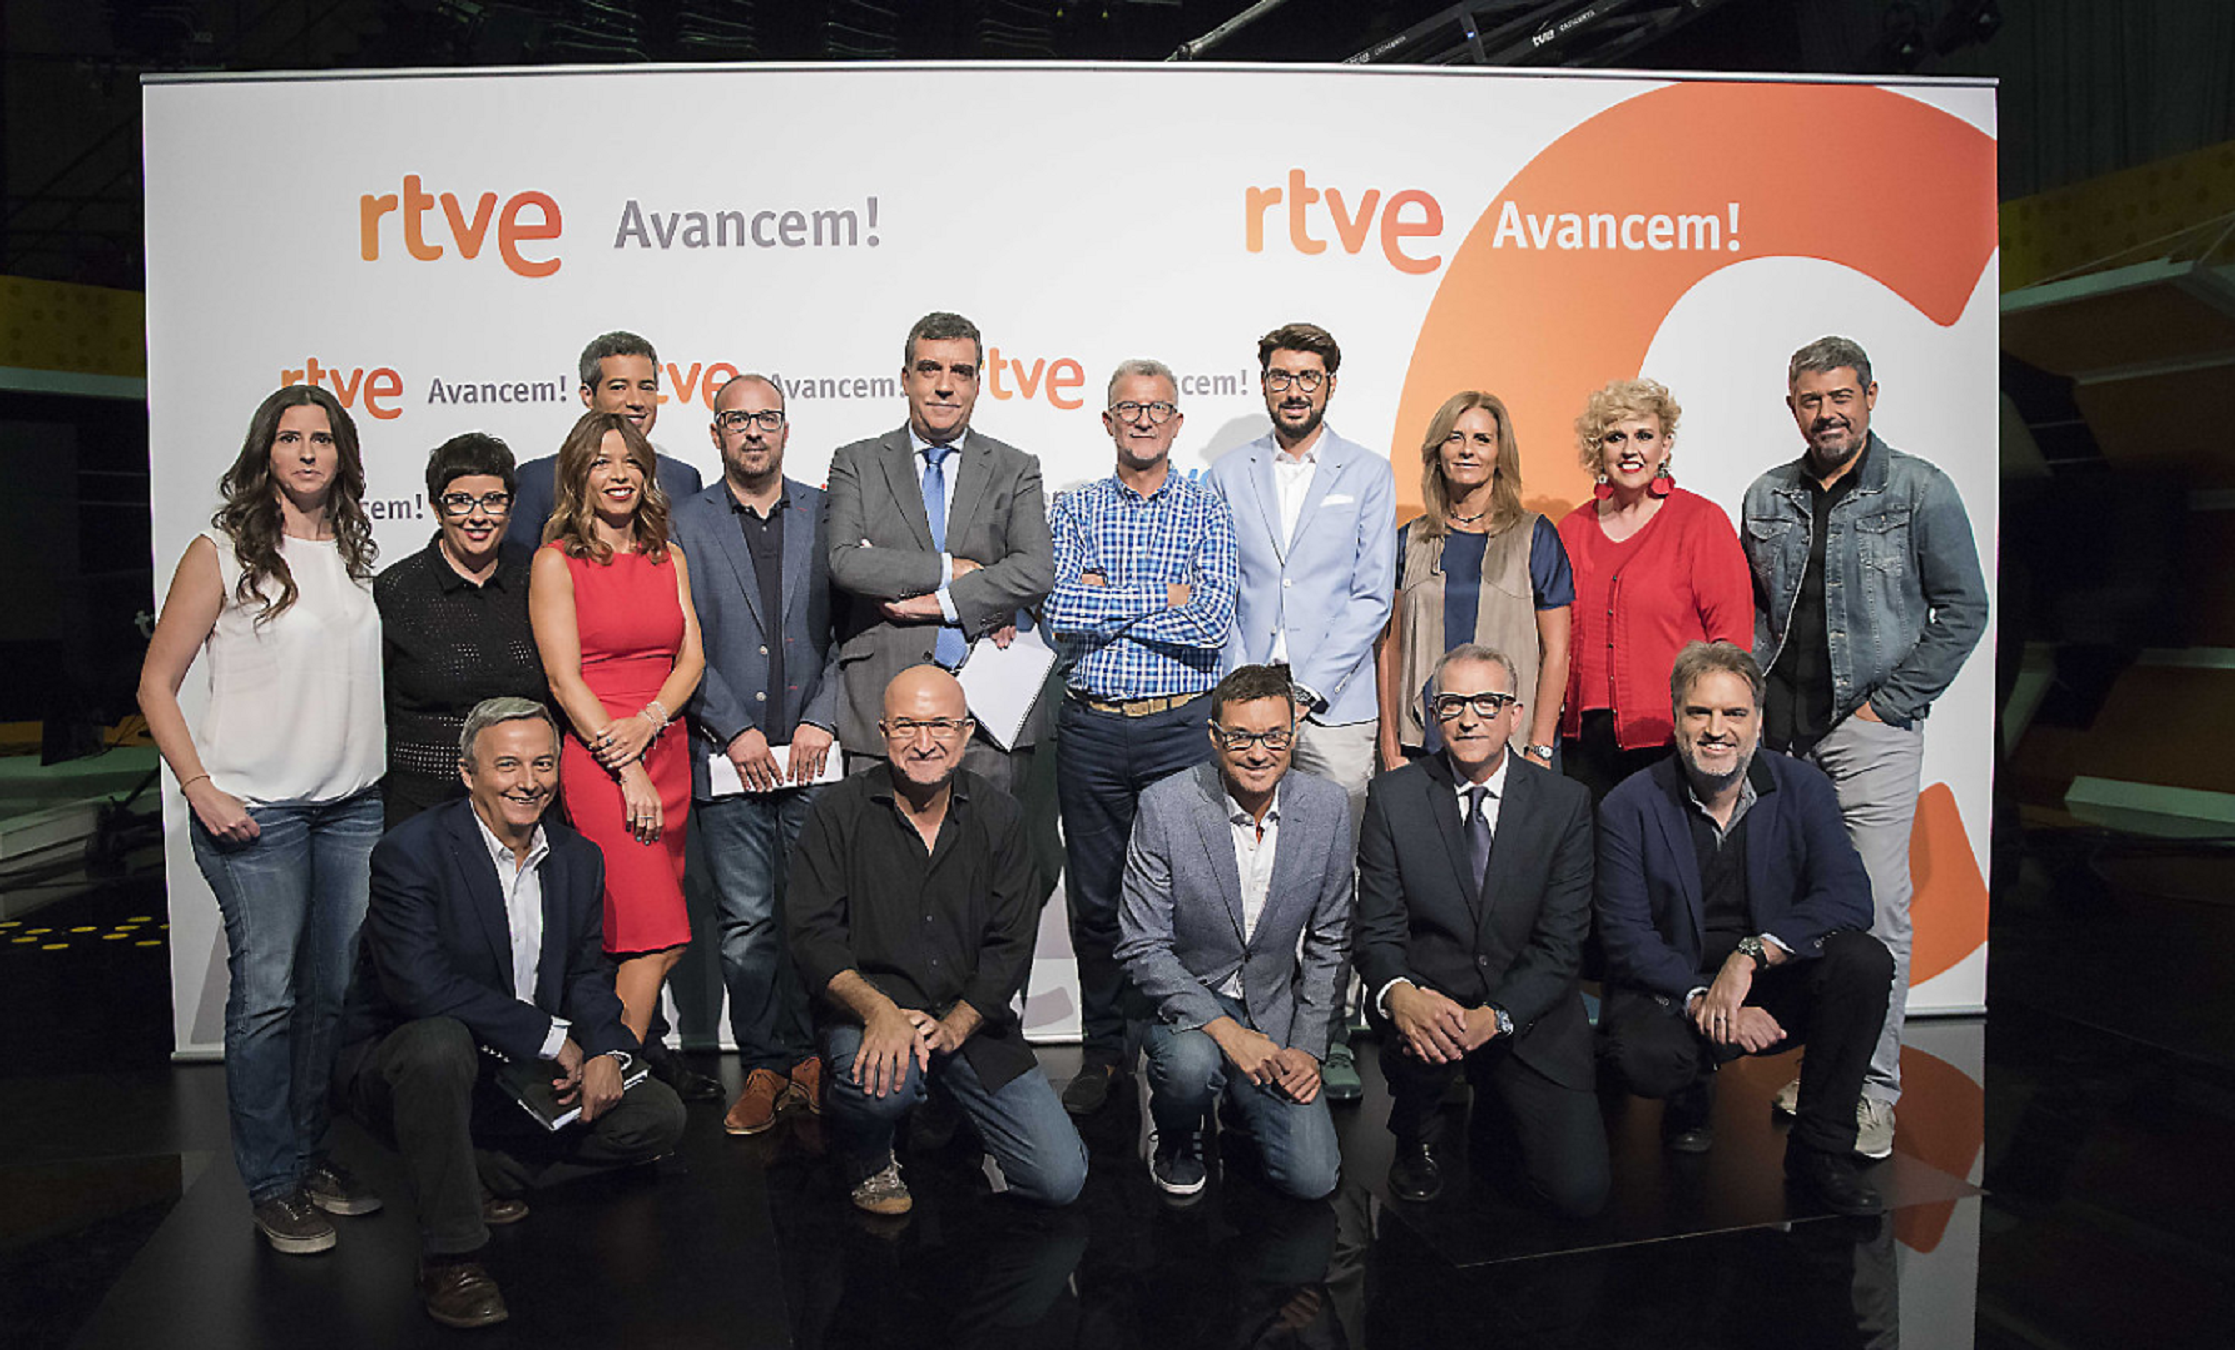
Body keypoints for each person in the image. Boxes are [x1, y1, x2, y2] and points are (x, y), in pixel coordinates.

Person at [334, 698, 687, 1328]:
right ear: (468, 774)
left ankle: (472, 1170)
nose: (529, 781)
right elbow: (420, 987)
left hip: (513, 1075)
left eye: (543, 764)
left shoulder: (578, 857)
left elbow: (585, 975)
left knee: (659, 1118)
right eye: (508, 765)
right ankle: (451, 1257)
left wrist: (606, 1050)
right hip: (415, 1065)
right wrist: (551, 1038)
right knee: (439, 1043)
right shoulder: (410, 852)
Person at [137, 385, 386, 1253]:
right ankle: (273, 1183)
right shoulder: (221, 550)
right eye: (290, 437)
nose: (307, 452)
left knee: (330, 997)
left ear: (343, 454)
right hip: (257, 815)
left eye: (323, 438)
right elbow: (155, 683)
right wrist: (198, 784)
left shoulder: (352, 550)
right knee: (269, 1000)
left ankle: (310, 1157)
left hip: (350, 808)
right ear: (264, 452)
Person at [1742, 336, 1988, 1158]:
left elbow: (1963, 608)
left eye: (1840, 397)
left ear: (1870, 397)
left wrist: (1890, 707)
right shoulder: (1766, 494)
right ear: (1792, 406)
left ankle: (1871, 1090)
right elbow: (1756, 615)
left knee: (1875, 912)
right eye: (1811, 400)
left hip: (1868, 731)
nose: (1827, 414)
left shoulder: (1919, 489)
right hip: (1781, 737)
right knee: (1796, 908)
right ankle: (1824, 1072)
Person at [1595, 642, 1893, 1216]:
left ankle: (1820, 1152)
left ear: (1758, 720)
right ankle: (1692, 1085)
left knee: (1863, 961)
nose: (1717, 730)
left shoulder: (1803, 787)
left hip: (1765, 980)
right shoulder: (1628, 805)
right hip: (1674, 985)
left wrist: (1753, 955)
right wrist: (1702, 998)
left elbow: (1849, 897)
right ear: (1677, 718)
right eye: (1700, 712)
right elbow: (1626, 936)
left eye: (1734, 713)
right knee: (1643, 1059)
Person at [788, 666, 1087, 1217]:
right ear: (882, 731)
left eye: (941, 726)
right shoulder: (837, 812)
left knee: (1059, 1178)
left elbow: (1011, 943)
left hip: (970, 1022)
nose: (924, 743)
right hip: (869, 1019)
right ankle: (868, 1153)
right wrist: (880, 1011)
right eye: (906, 726)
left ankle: (942, 1099)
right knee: (883, 1087)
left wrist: (956, 1026)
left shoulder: (1001, 816)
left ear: (966, 733)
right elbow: (812, 936)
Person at [1204, 321, 1396, 1102]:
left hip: (1335, 708)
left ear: (1330, 385)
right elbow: (1218, 587)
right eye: (1280, 376)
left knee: (1333, 873)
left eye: (1307, 377)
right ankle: (1246, 1021)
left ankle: (1331, 1032)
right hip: (1245, 705)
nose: (1293, 390)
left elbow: (1371, 595)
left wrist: (1304, 692)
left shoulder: (1367, 472)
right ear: (1263, 384)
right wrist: (1242, 692)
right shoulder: (1226, 472)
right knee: (1246, 866)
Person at [1042, 358, 1237, 1118]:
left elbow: (1210, 621)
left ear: (1178, 421)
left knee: (1183, 898)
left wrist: (1109, 595)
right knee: (1095, 901)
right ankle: (1104, 1052)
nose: (1145, 419)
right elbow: (1059, 611)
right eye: (1130, 408)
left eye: (1158, 408)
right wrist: (1163, 594)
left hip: (1180, 726)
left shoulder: (1206, 507)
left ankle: (1182, 1044)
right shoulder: (1075, 505)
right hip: (1091, 725)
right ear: (1108, 421)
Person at [1353, 644, 1608, 1215]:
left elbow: (1561, 944)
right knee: (1414, 1029)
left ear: (1514, 715)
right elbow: (1377, 931)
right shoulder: (1393, 798)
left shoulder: (1565, 804)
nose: (1469, 718)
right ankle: (1415, 1131)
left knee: (1579, 1194)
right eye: (1453, 703)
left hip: (1528, 1012)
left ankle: (1498, 1098)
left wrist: (1494, 1017)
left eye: (1487, 702)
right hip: (1430, 1007)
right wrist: (1401, 996)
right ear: (1434, 716)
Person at [670, 373, 842, 1136]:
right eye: (736, 420)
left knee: (815, 916)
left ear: (785, 429)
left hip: (813, 756)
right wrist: (731, 727)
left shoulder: (827, 512)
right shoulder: (682, 522)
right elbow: (675, 638)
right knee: (745, 925)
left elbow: (852, 632)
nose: (752, 432)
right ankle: (768, 1065)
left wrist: (825, 718)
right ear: (715, 433)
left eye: (766, 418)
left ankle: (815, 1062)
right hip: (724, 755)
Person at [1114, 663, 1349, 1201]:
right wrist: (1227, 1032)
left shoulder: (1327, 807)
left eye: (1274, 736)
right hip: (1187, 1003)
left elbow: (1331, 938)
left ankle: (1244, 1101)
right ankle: (1175, 1129)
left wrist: (1309, 1049)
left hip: (1273, 1004)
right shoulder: (1165, 805)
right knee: (1190, 1067)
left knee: (1313, 1180)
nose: (1259, 753)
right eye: (1241, 737)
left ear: (1293, 735)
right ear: (1215, 737)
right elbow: (1141, 944)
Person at [528, 409, 708, 1095]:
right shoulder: (556, 561)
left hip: (666, 747)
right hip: (601, 756)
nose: (619, 473)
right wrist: (626, 761)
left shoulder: (668, 556)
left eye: (631, 460)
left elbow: (691, 658)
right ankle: (608, 1085)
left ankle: (597, 1073)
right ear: (579, 473)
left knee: (653, 937)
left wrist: (653, 721)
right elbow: (562, 680)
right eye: (602, 461)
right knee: (655, 935)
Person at [825, 311, 1055, 796]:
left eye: (961, 372)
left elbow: (1035, 569)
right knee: (878, 846)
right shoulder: (857, 462)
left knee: (990, 845)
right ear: (906, 379)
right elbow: (846, 561)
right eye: (930, 369)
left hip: (987, 716)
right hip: (881, 714)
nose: (945, 386)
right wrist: (956, 569)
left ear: (978, 384)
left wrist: (940, 603)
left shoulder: (1015, 468)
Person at [1557, 379, 1752, 801]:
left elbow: (1732, 643)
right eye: (1616, 438)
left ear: (1665, 447)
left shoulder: (1701, 521)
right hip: (1584, 748)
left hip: (1675, 739)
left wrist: (1718, 728)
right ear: (1598, 449)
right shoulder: (1571, 531)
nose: (1630, 450)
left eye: (1644, 436)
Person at [1377, 391, 1572, 773]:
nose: (1468, 450)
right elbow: (1389, 648)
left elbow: (1557, 651)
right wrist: (1390, 743)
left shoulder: (1535, 536)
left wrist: (1541, 747)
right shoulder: (1408, 541)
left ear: (1500, 454)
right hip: (1422, 747)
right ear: (1437, 451)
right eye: (1455, 437)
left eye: (1482, 439)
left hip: (1516, 750)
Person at [376, 432, 548, 829]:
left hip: (526, 805)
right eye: (460, 501)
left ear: (511, 507)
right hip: (424, 808)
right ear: (436, 509)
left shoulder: (537, 577)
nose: (478, 516)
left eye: (493, 500)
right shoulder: (397, 590)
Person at [506, 330, 704, 550]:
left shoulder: (684, 479)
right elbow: (520, 564)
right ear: (588, 396)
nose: (636, 401)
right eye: (619, 387)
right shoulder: (538, 479)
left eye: (646, 387)